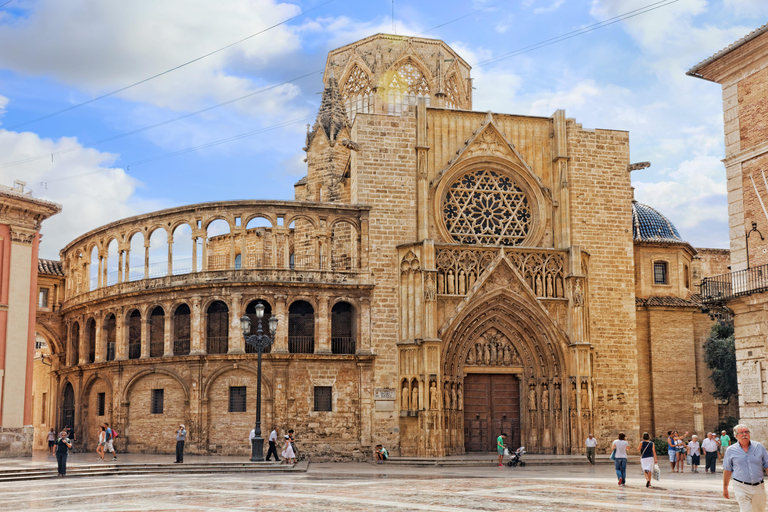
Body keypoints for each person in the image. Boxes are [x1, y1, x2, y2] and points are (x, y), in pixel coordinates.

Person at [723, 424, 768, 511]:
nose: (744, 434)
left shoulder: (759, 447)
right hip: (741, 487)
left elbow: (767, 465)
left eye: (746, 432)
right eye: (741, 433)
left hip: (759, 487)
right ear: (736, 436)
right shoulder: (731, 450)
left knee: (759, 510)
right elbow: (727, 470)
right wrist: (725, 488)